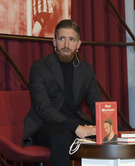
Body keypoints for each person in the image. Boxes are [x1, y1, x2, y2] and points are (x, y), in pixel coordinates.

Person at [21, 19, 103, 166]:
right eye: (61, 39)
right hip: (44, 125)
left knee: (117, 132)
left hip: (76, 123)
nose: (66, 45)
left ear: (78, 44)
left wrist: (104, 126)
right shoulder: (40, 67)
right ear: (54, 42)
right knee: (61, 135)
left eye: (71, 40)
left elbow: (95, 102)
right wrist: (76, 128)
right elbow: (43, 108)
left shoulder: (85, 69)